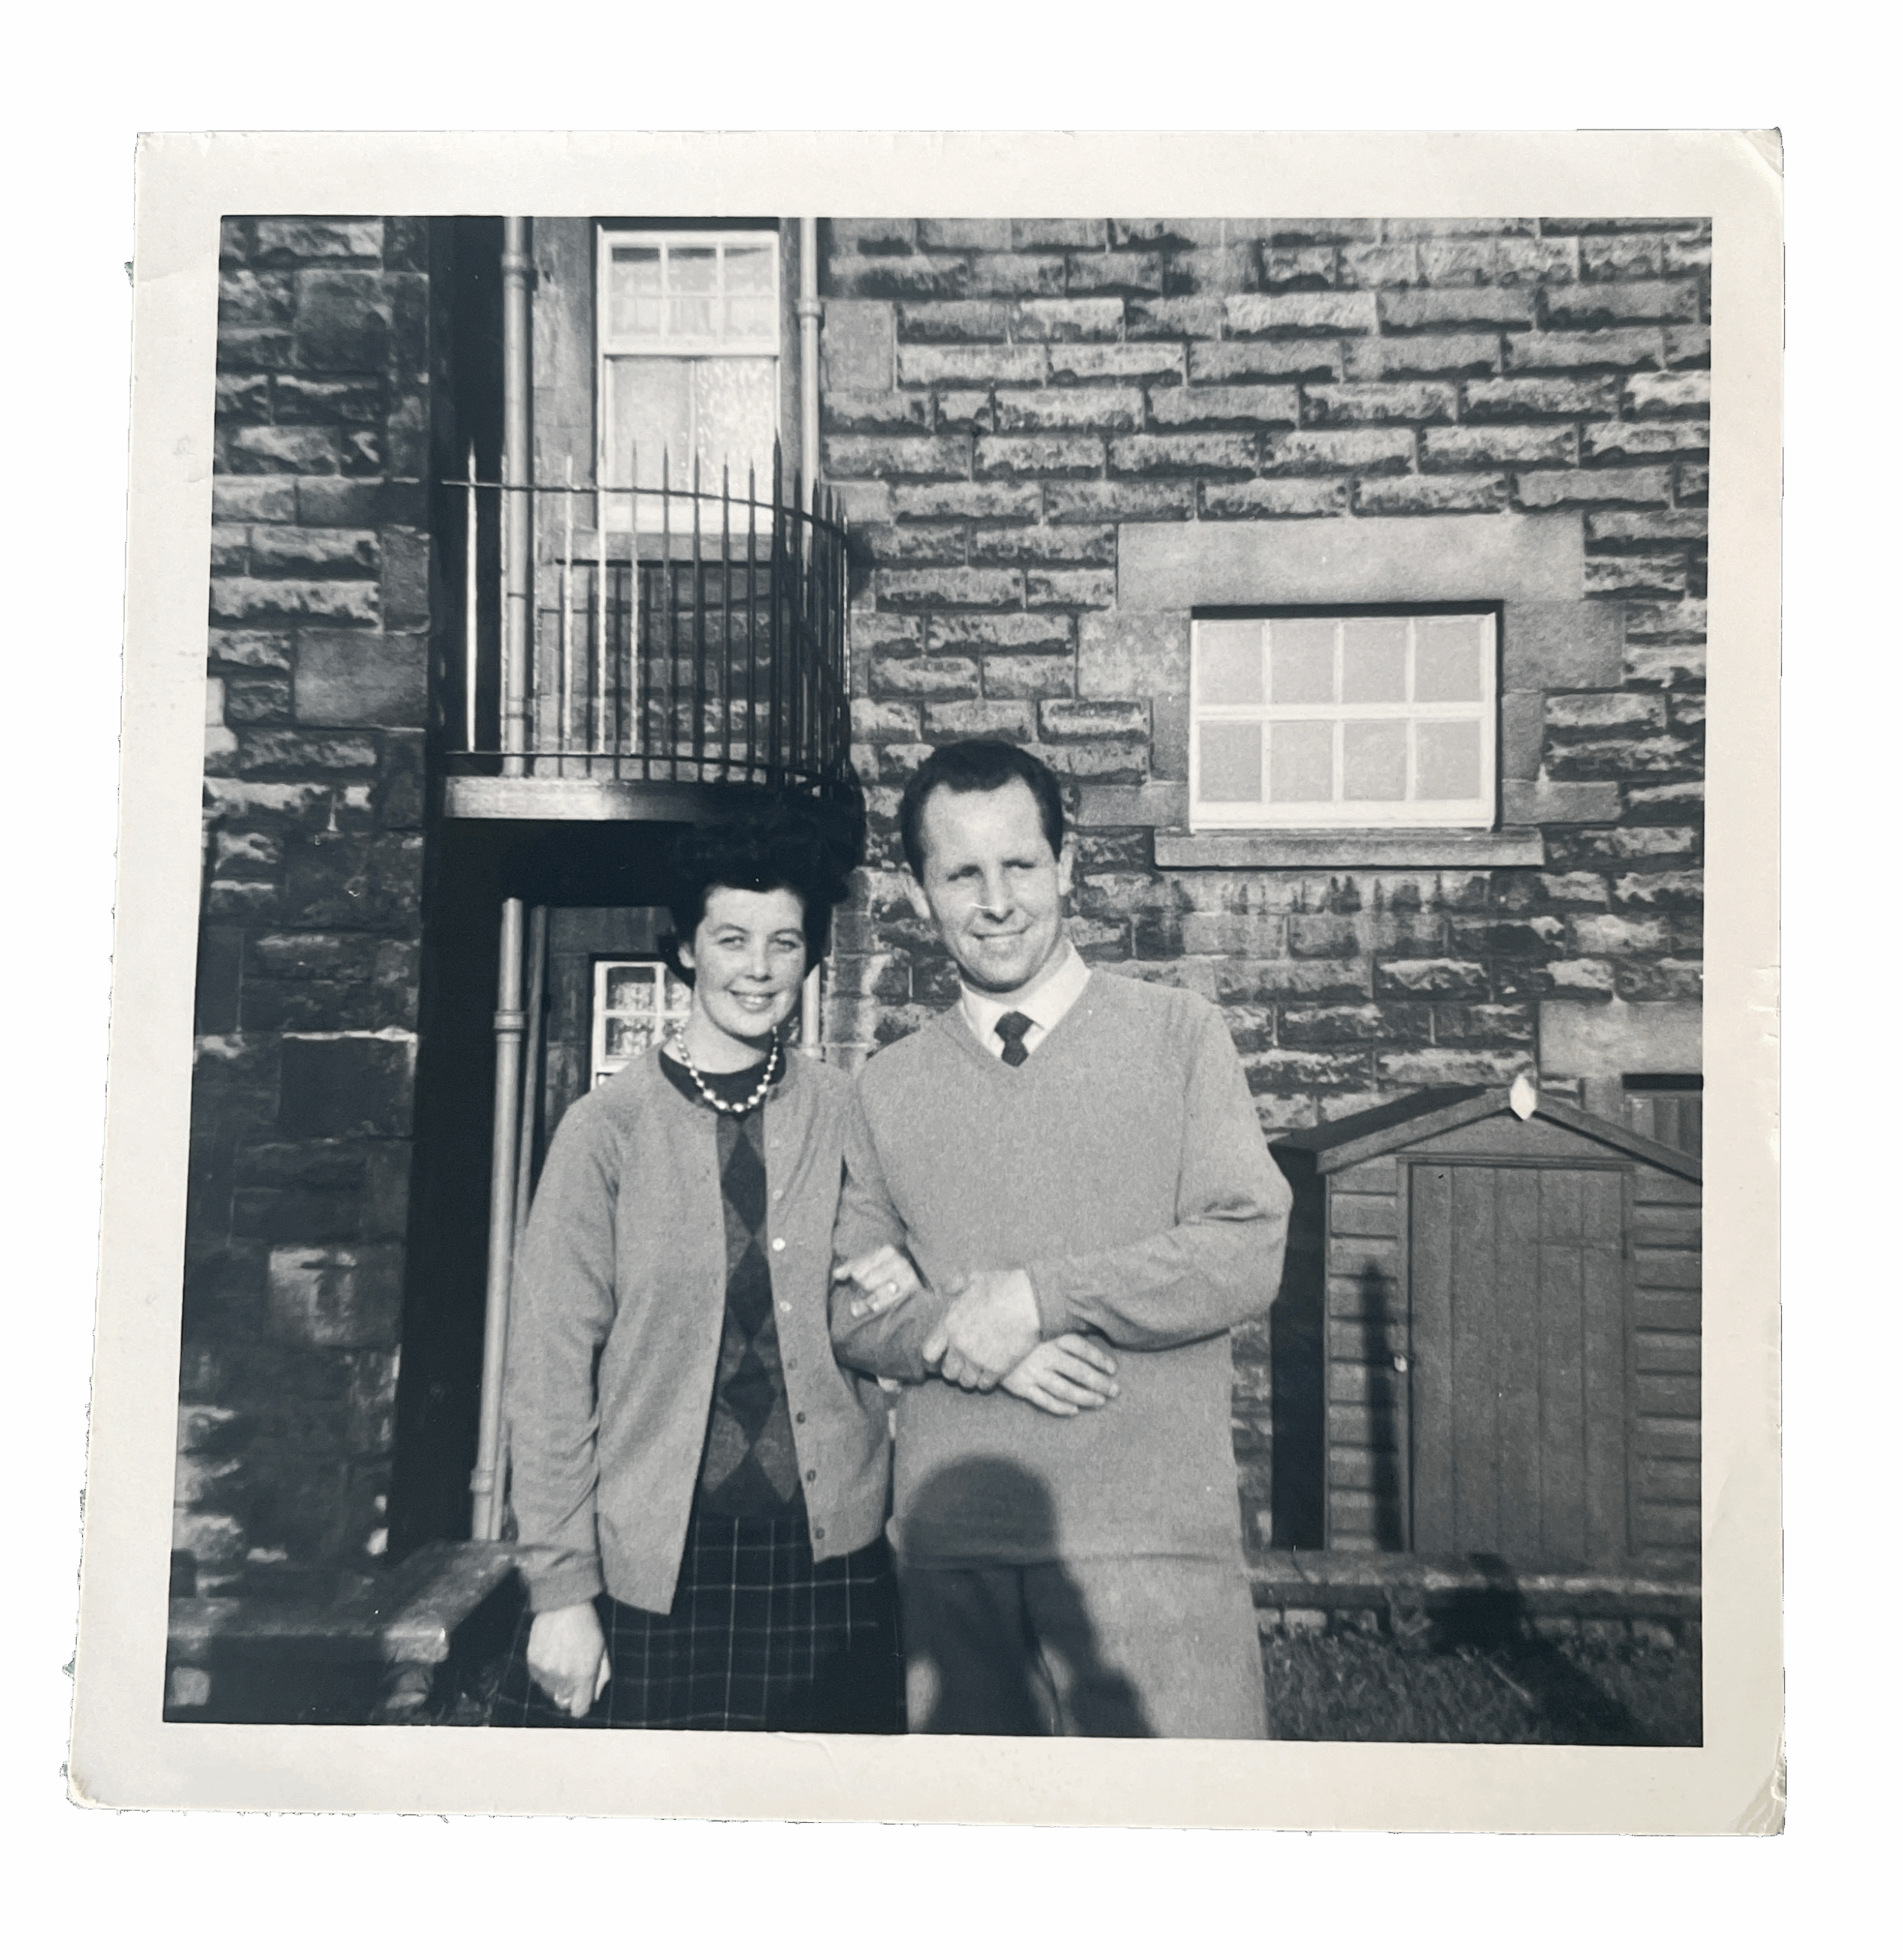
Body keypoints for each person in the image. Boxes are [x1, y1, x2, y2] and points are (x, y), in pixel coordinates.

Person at [831, 740, 1293, 1739]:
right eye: (961, 873)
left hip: (1155, 1556)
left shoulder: (1177, 1038)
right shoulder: (885, 1088)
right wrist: (980, 1335)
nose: (995, 901)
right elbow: (848, 1306)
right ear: (918, 892)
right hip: (954, 1567)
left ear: (1066, 867)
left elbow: (1245, 1246)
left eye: (1019, 866)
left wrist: (1037, 1299)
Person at [492, 805, 907, 1730]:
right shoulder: (606, 1132)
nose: (759, 969)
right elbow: (550, 1376)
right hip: (660, 1566)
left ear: (808, 958)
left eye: (784, 943)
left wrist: (906, 1277)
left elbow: (874, 1288)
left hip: (828, 1558)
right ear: (685, 949)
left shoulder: (845, 1113)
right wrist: (561, 1590)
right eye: (731, 939)